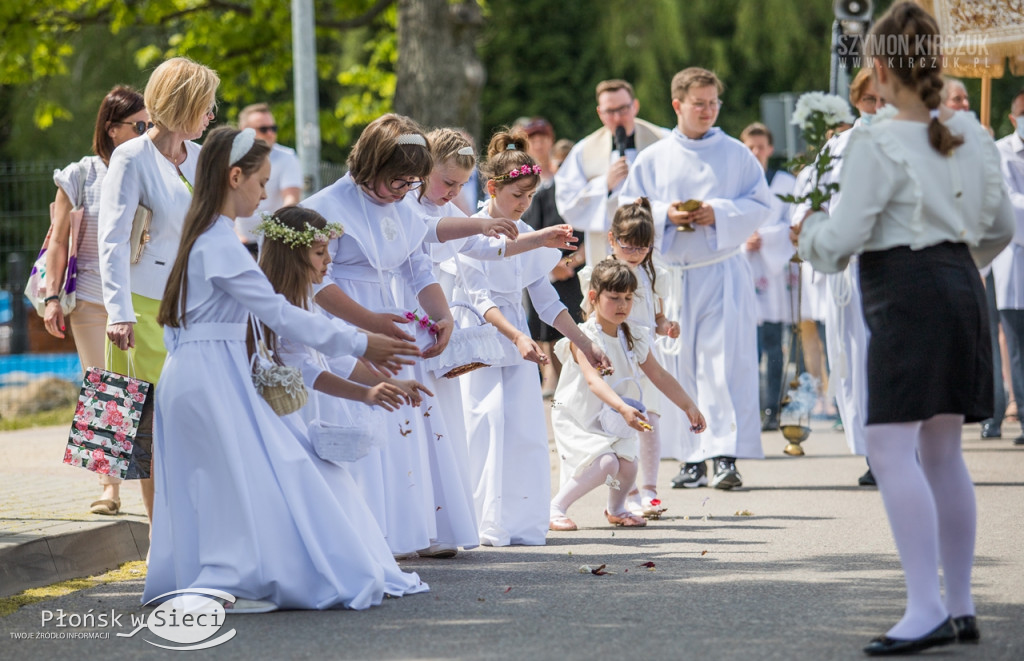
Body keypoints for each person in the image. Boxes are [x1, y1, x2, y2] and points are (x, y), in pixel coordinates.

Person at [796, 3, 1014, 653]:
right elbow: (1001, 228)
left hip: (906, 290)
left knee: (890, 447)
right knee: (944, 451)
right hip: (962, 285)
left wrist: (805, 232)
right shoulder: (971, 133)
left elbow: (842, 239)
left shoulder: (876, 138)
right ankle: (961, 603)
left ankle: (925, 607)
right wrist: (953, 263)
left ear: (882, 69)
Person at [145, 126, 424, 612]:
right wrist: (362, 339)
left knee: (223, 480)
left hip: (198, 372)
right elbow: (280, 314)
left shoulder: (207, 237)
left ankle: (227, 574)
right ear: (235, 177)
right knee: (245, 475)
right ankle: (232, 576)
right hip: (211, 377)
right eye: (260, 182)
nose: (265, 192)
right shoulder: (218, 243)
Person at [303, 114, 511, 559]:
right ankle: (372, 531)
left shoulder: (402, 206)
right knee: (367, 420)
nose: (402, 193)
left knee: (408, 424)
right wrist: (370, 321)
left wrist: (442, 315)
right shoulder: (326, 206)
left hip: (395, 318)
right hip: (348, 318)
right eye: (396, 182)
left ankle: (416, 526)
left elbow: (416, 265)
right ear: (371, 165)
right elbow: (317, 283)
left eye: (410, 184)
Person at [455, 127, 610, 546]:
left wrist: (584, 342)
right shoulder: (469, 229)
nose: (523, 205)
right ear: (492, 188)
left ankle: (521, 520)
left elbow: (546, 300)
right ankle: (481, 520)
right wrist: (516, 338)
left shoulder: (526, 234)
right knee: (484, 422)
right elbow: (479, 295)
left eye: (529, 197)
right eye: (516, 196)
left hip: (516, 337)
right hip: (481, 335)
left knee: (523, 428)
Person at [621, 67, 772, 490]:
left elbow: (761, 203)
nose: (708, 111)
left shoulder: (737, 154)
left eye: (713, 103)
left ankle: (723, 454)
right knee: (675, 363)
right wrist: (663, 214)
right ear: (677, 105)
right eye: (699, 103)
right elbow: (626, 207)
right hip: (672, 276)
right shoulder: (653, 157)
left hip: (720, 270)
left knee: (721, 364)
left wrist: (720, 213)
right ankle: (690, 459)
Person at [98, 57, 219, 524]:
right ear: (183, 104)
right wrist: (117, 312)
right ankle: (160, 534)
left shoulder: (205, 156)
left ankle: (190, 524)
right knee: (151, 424)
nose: (212, 115)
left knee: (193, 422)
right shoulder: (132, 157)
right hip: (144, 307)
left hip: (196, 306)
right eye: (206, 105)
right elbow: (111, 239)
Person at [42, 85, 149, 515]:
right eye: (139, 125)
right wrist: (53, 297)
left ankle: (156, 486)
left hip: (142, 299)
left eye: (151, 124)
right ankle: (109, 489)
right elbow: (58, 242)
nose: (147, 132)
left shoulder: (151, 169)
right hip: (90, 299)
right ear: (111, 128)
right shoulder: (80, 174)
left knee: (147, 389)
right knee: (104, 390)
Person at [549, 258, 705, 531]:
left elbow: (659, 375)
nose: (622, 305)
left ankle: (617, 508)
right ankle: (555, 507)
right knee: (606, 463)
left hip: (614, 415)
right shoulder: (583, 338)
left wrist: (688, 405)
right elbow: (594, 382)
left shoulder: (633, 335)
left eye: (628, 298)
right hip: (579, 415)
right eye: (614, 297)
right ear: (593, 297)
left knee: (628, 465)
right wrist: (622, 408)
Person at [578, 199, 678, 518]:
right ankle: (626, 494)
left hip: (645, 358)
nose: (635, 253)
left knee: (651, 422)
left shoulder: (652, 275)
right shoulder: (600, 274)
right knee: (619, 427)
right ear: (612, 240)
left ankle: (649, 489)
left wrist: (666, 326)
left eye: (643, 247)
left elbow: (657, 317)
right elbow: (587, 312)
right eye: (628, 245)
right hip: (615, 356)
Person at [556, 79, 666, 267]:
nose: (617, 118)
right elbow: (567, 203)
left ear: (635, 106)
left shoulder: (664, 141)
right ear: (600, 113)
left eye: (623, 109)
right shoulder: (584, 150)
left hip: (656, 248)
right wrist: (604, 185)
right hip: (607, 251)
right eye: (610, 111)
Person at [739, 122, 797, 432]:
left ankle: (772, 408)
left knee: (774, 345)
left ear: (770, 149)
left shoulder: (787, 183)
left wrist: (766, 237)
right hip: (744, 269)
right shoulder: (735, 182)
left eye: (761, 147)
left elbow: (794, 223)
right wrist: (742, 239)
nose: (756, 152)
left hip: (773, 273)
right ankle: (747, 408)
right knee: (747, 347)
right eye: (750, 147)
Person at [992, 89, 1024, 446]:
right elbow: (1009, 207)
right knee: (1018, 350)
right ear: (1013, 118)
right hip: (1014, 267)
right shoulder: (1000, 152)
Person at [233, 103, 303, 255]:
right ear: (246, 131)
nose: (270, 133)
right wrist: (233, 235)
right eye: (263, 129)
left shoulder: (287, 157)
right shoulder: (231, 158)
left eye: (273, 128)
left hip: (272, 242)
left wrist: (275, 231)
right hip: (237, 242)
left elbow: (291, 198)